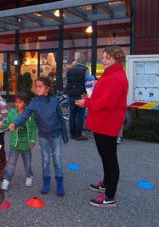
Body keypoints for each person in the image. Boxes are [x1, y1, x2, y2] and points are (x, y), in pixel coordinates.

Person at [75, 46, 128, 208]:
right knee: (106, 157)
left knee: (110, 159)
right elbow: (102, 95)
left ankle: (110, 196)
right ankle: (106, 183)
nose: (103, 60)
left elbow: (107, 102)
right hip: (102, 122)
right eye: (104, 57)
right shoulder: (111, 74)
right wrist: (89, 97)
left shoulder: (116, 77)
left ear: (116, 59)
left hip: (107, 123)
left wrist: (87, 103)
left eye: (107, 57)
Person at [9, 77, 69, 197]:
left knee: (57, 159)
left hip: (56, 134)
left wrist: (65, 135)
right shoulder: (34, 103)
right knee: (46, 159)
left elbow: (61, 119)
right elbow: (25, 115)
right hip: (43, 136)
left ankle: (60, 182)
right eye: (36, 86)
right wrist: (14, 123)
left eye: (40, 86)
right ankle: (46, 181)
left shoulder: (54, 101)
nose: (37, 88)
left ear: (47, 88)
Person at [1, 92, 37, 191]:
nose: (17, 104)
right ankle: (7, 179)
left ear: (25, 103)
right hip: (15, 145)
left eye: (20, 102)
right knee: (11, 164)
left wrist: (33, 140)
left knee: (28, 163)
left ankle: (29, 176)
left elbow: (34, 128)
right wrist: (3, 126)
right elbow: (7, 124)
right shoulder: (12, 113)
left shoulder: (30, 114)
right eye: (16, 102)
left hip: (26, 145)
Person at [65, 54, 90, 140]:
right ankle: (78, 134)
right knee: (80, 115)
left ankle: (72, 134)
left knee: (72, 114)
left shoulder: (70, 70)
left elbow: (66, 82)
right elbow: (88, 83)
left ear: (77, 62)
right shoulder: (85, 70)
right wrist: (87, 94)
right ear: (84, 63)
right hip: (81, 95)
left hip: (71, 95)